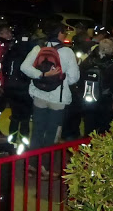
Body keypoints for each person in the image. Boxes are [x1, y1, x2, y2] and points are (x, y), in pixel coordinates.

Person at [21, 19, 79, 179]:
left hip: (39, 95)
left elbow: (24, 67)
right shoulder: (67, 52)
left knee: (37, 131)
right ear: (59, 33)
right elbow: (74, 77)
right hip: (57, 99)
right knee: (52, 134)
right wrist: (61, 78)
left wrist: (42, 75)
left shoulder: (38, 48)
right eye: (64, 32)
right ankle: (44, 168)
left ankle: (32, 165)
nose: (65, 35)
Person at [79, 38, 113, 135]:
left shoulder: (88, 61)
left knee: (89, 126)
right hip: (104, 99)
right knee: (104, 127)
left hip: (88, 97)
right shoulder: (111, 65)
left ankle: (87, 143)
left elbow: (81, 79)